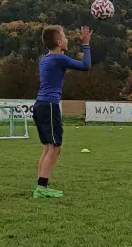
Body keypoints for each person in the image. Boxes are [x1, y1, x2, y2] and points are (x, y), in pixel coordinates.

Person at [32, 25, 92, 198]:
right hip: (49, 106)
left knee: (48, 148)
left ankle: (40, 185)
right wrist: (85, 44)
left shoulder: (45, 59)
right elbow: (86, 65)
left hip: (40, 105)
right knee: (55, 148)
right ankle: (41, 188)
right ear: (59, 43)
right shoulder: (59, 58)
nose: (67, 39)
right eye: (64, 37)